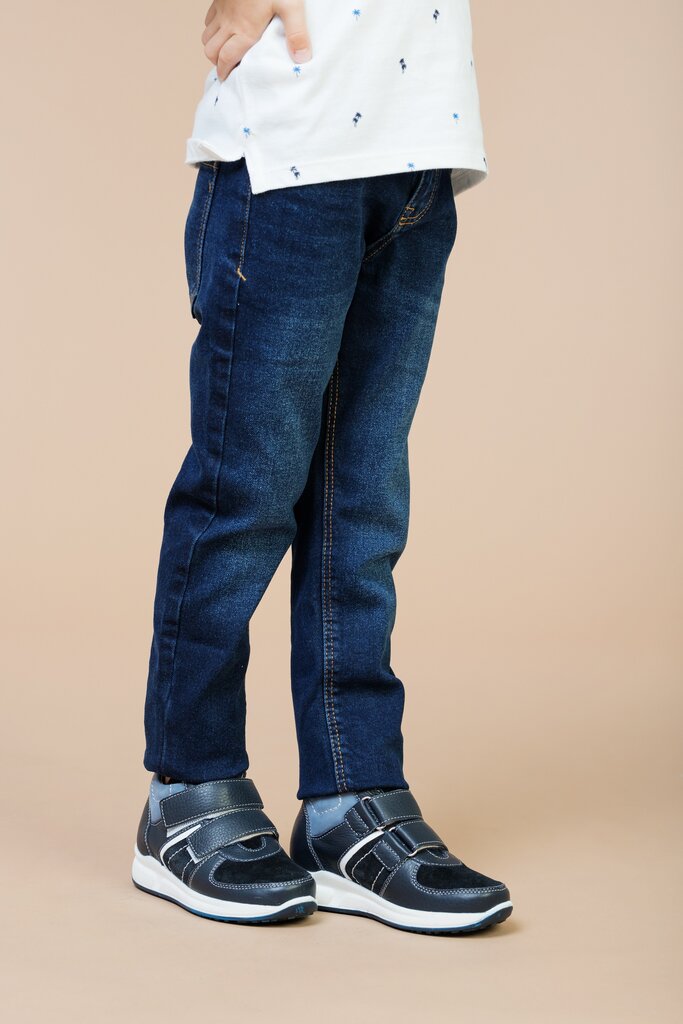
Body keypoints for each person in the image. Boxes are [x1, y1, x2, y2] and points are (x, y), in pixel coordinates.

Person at [132, 0, 512, 934]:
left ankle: (350, 799)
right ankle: (187, 788)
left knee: (362, 509)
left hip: (420, 147)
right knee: (242, 498)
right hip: (289, 148)